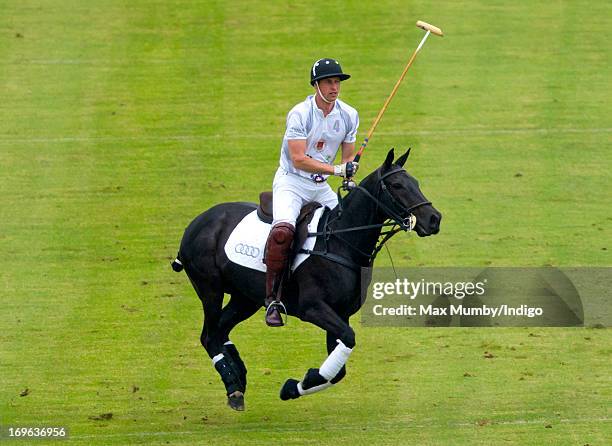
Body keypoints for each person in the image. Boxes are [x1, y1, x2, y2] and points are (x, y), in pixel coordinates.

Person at [263, 58, 360, 326]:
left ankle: (345, 291)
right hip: (292, 182)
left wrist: (348, 173)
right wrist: (337, 170)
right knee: (283, 232)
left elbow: (348, 158)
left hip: (321, 186)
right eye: (329, 82)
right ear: (316, 85)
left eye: (337, 82)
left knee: (347, 229)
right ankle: (273, 300)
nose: (334, 87)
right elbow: (298, 159)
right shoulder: (300, 114)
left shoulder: (349, 114)